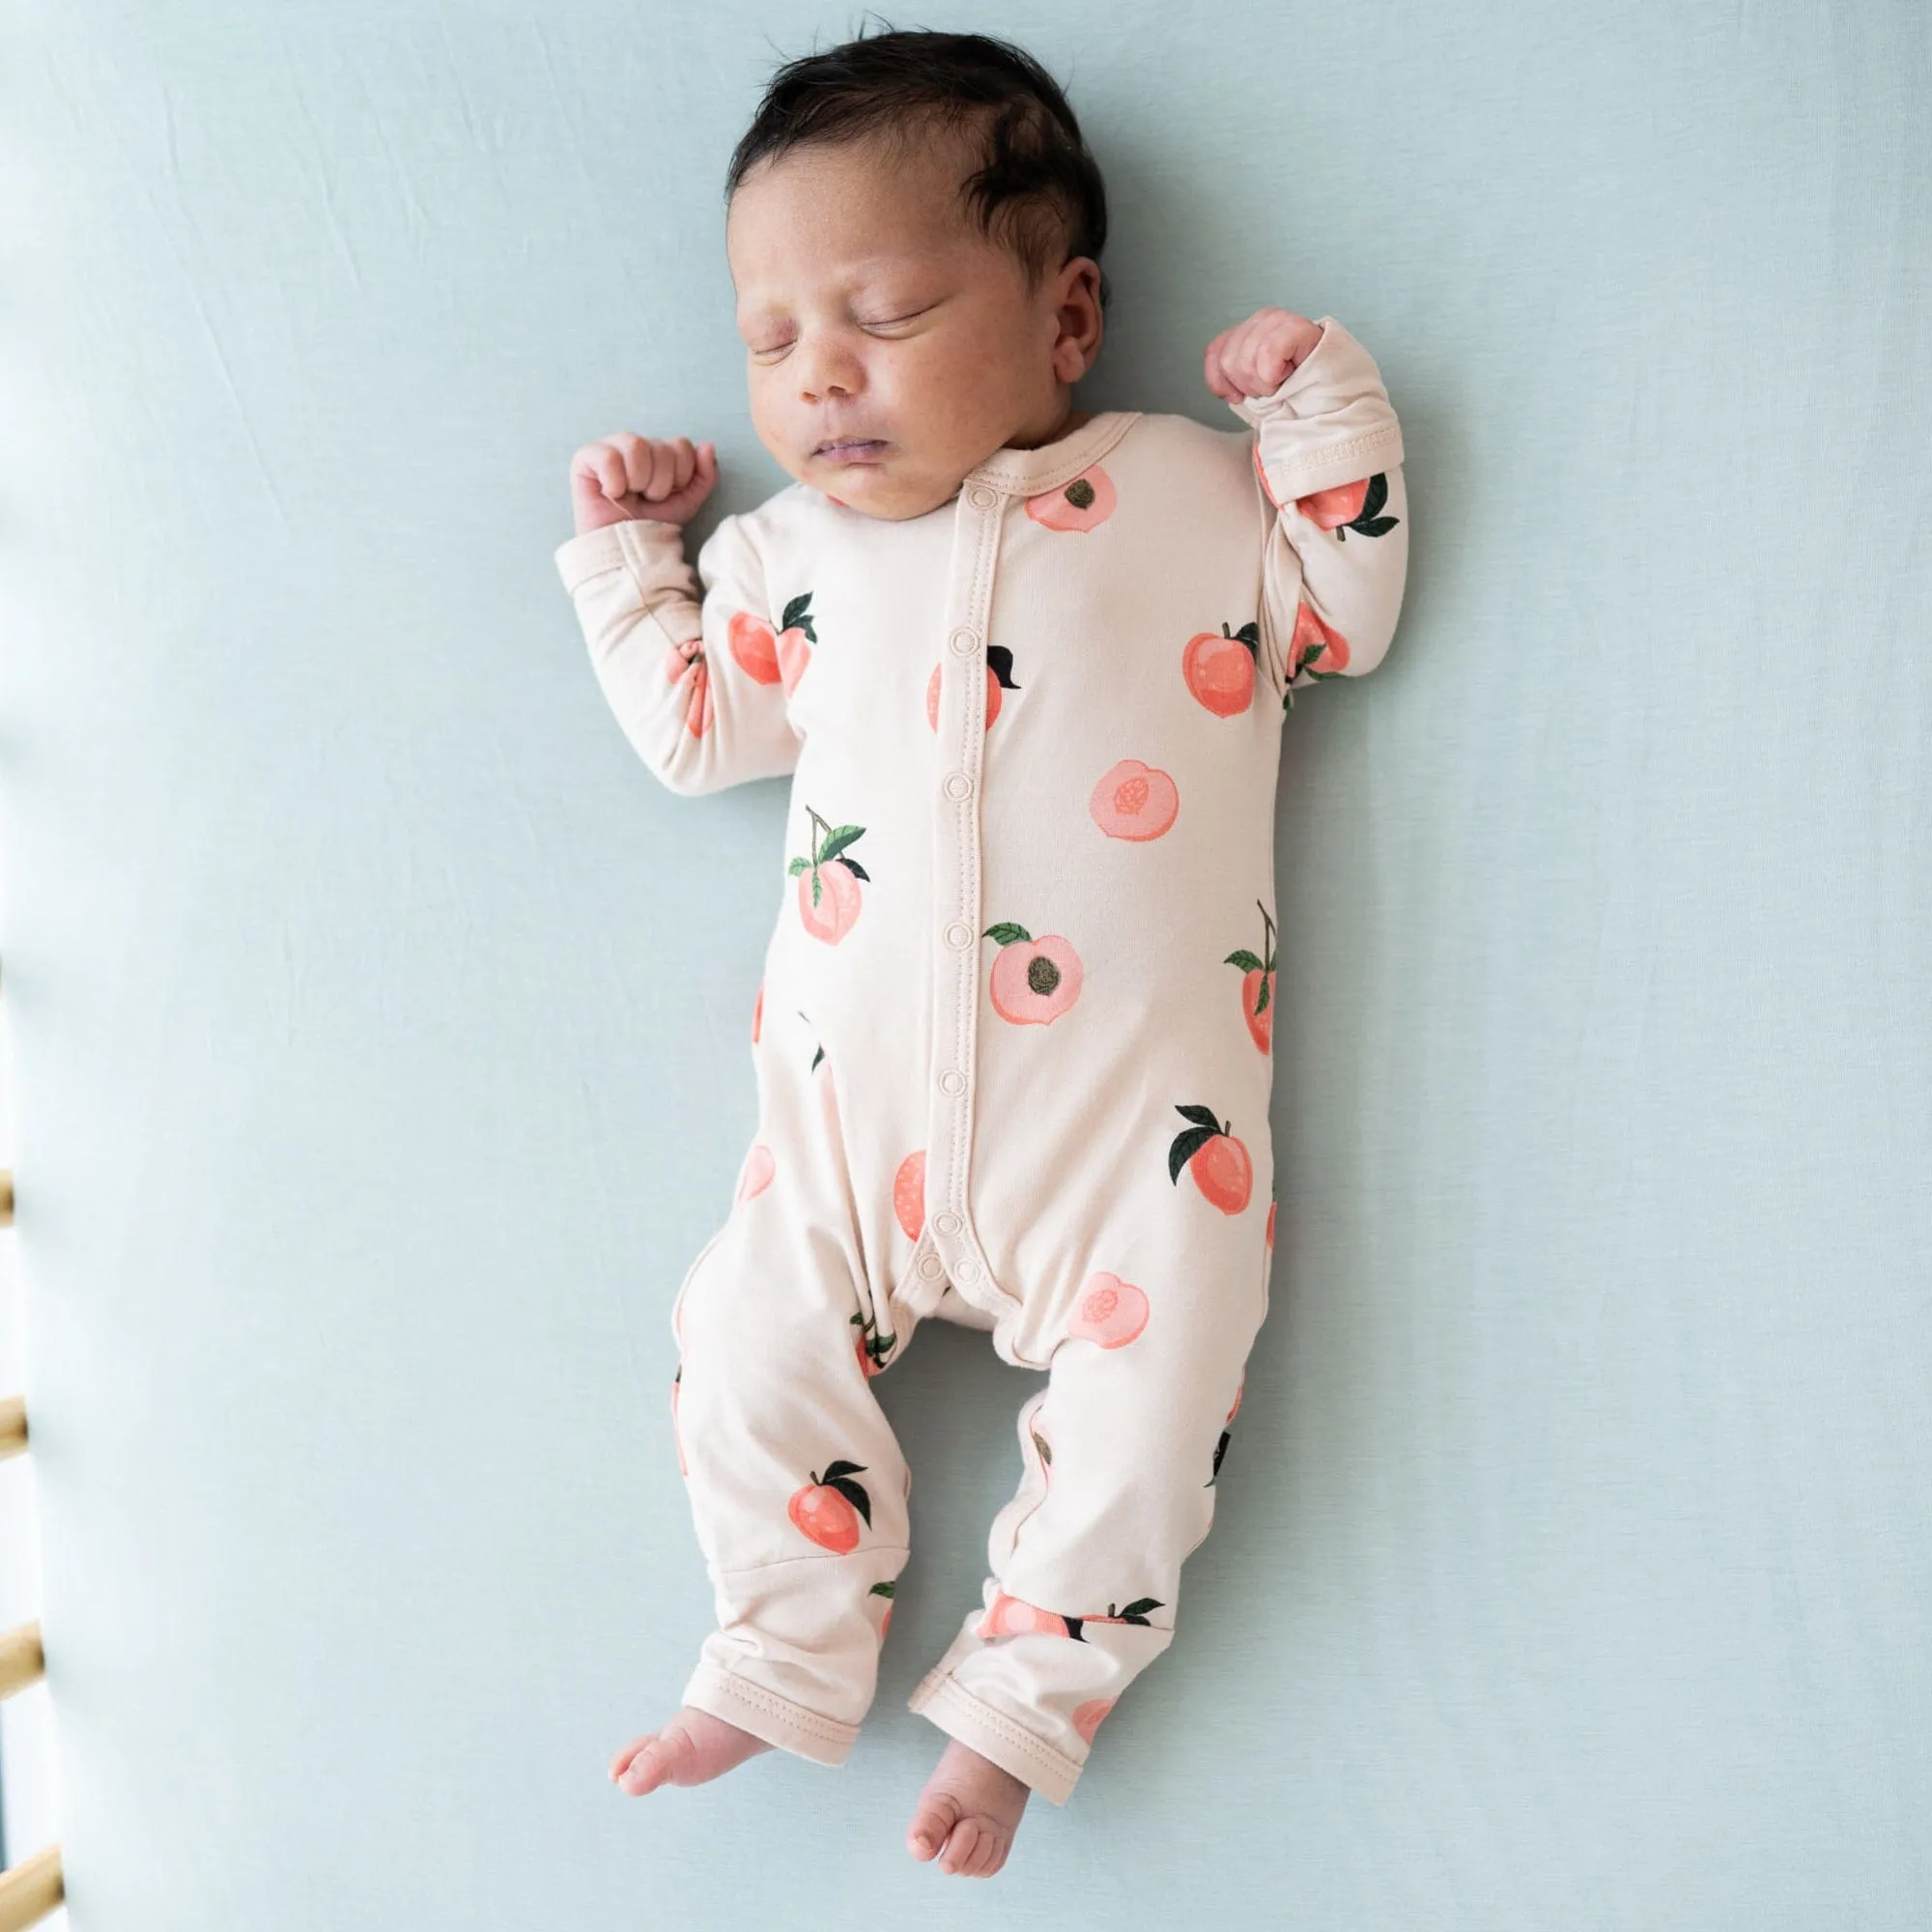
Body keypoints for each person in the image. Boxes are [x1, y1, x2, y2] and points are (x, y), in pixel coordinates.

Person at [554, 25, 1408, 1881]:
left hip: (1135, 1152)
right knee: (736, 1337)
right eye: (772, 338)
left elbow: (1340, 611)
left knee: (1168, 1380)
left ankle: (1027, 1701)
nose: (817, 375)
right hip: (846, 1160)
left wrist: (1321, 411)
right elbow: (699, 729)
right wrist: (635, 560)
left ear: (1066, 311)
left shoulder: (1192, 497)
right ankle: (780, 1649)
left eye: (879, 312)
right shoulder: (788, 557)